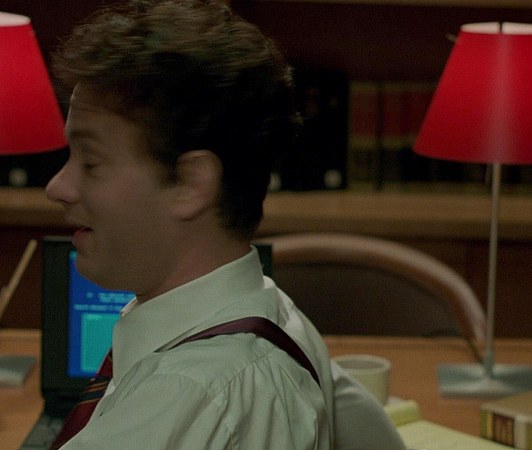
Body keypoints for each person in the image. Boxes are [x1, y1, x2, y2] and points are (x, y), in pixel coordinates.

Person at [45, 0, 406, 448]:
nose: (57, 187)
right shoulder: (277, 314)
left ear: (191, 184)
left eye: (91, 162)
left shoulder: (188, 396)